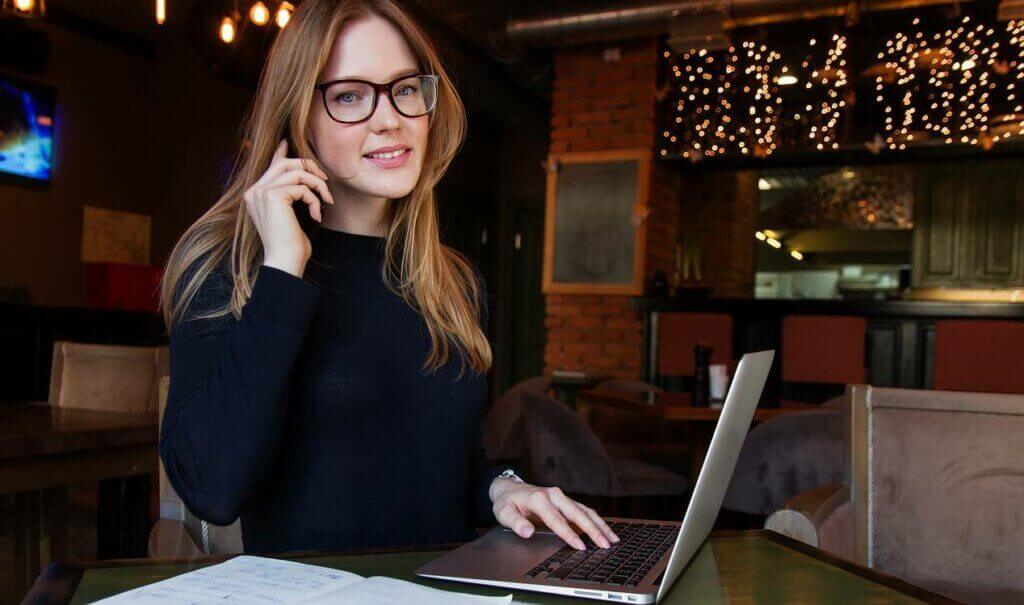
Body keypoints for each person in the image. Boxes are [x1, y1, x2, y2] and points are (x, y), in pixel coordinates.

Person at [157, 0, 619, 555]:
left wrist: (500, 489)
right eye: (349, 95)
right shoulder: (224, 267)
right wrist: (282, 267)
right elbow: (212, 488)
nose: (389, 118)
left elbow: (439, 465)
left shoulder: (452, 281)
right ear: (297, 117)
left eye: (404, 88)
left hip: (445, 588)